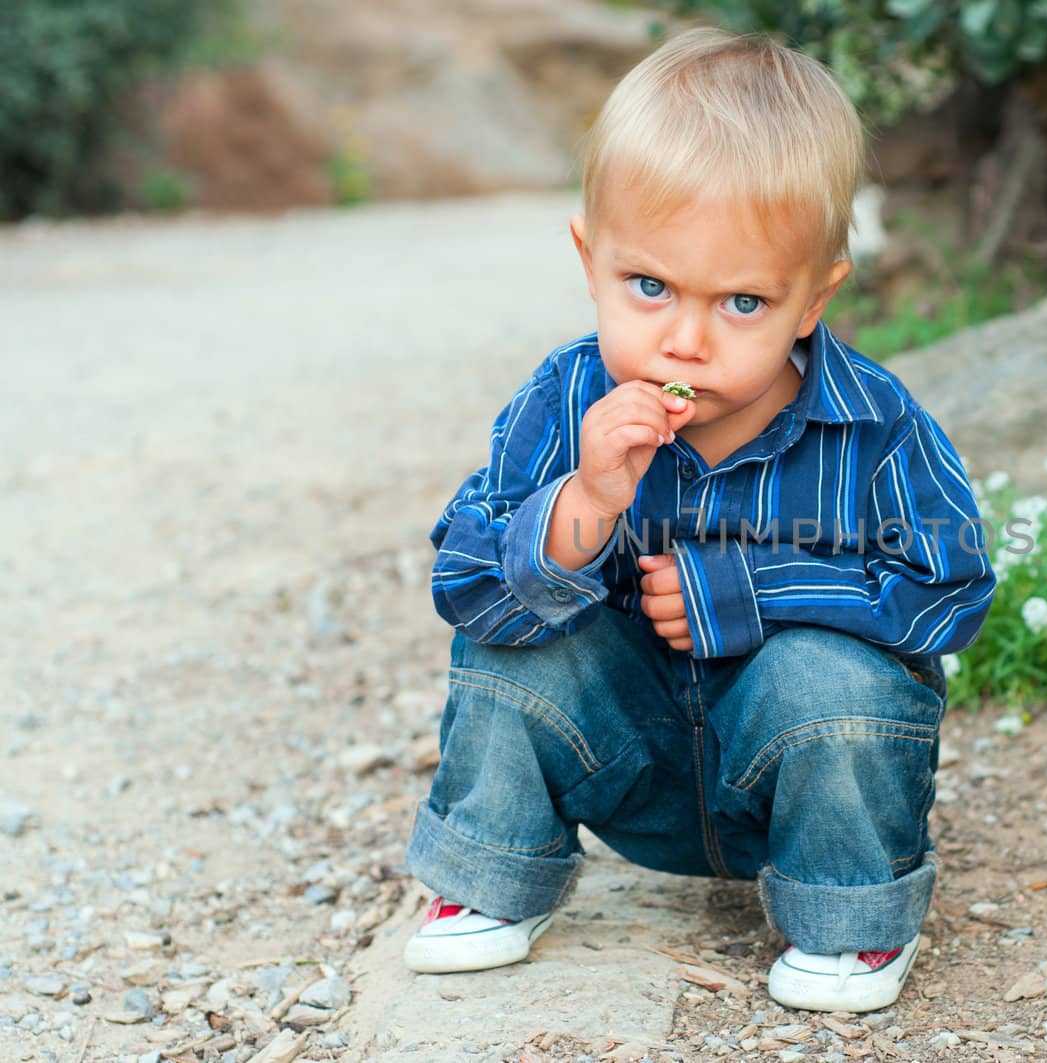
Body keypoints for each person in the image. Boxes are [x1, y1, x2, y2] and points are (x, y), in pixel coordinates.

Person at [400, 25, 997, 1014]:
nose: (685, 338)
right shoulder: (564, 401)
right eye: (649, 287)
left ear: (813, 298)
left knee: (833, 675)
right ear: (590, 261)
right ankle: (494, 875)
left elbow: (951, 587)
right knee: (512, 643)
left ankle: (850, 916)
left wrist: (753, 592)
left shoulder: (870, 424)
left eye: (744, 301)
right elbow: (461, 581)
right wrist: (586, 504)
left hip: (794, 775)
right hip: (626, 760)